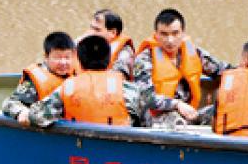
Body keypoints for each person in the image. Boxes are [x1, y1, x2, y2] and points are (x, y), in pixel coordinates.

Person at [23, 35, 152, 128]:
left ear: (79, 61)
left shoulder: (67, 88)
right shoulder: (129, 89)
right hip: (119, 151)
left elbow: (36, 116)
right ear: (109, 61)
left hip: (78, 149)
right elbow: (148, 124)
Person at [134, 8, 230, 124]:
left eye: (175, 33)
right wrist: (177, 104)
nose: (170, 40)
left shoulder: (194, 53)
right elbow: (147, 97)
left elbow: (223, 70)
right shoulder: (144, 59)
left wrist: (246, 71)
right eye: (164, 34)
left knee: (222, 111)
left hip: (189, 112)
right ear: (156, 35)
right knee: (175, 120)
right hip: (157, 115)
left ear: (183, 33)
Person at [2, 31, 76, 120]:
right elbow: (10, 103)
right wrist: (22, 112)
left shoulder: (78, 73)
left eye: (67, 57)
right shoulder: (36, 79)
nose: (63, 62)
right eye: (57, 58)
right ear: (46, 57)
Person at [82, 9, 135, 78]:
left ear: (112, 33)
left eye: (97, 30)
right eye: (91, 28)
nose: (91, 33)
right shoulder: (84, 42)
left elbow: (119, 79)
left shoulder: (124, 53)